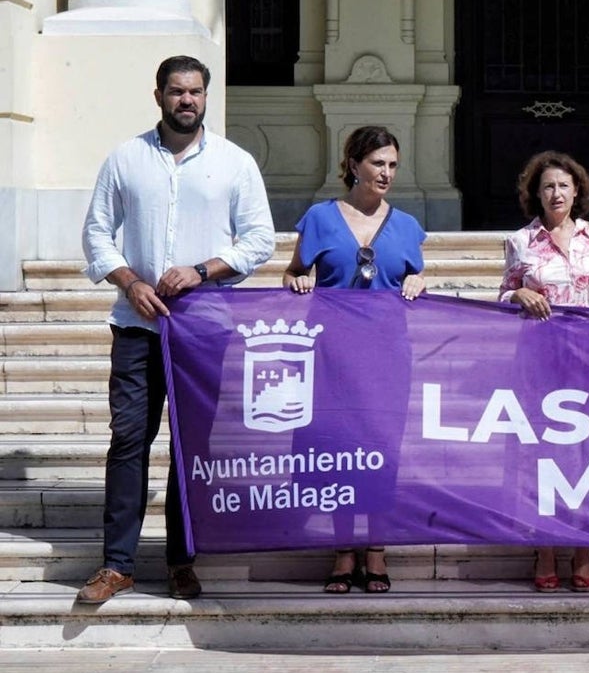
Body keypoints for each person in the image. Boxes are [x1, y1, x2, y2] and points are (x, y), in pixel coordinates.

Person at [78, 55, 275, 603]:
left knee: (191, 446)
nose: (186, 100)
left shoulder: (234, 163)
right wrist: (128, 282)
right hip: (137, 325)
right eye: (176, 91)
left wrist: (202, 270)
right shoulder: (126, 159)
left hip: (204, 327)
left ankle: (182, 560)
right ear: (159, 94)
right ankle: (117, 564)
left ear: (206, 97)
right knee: (128, 442)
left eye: (195, 92)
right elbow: (96, 234)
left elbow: (260, 240)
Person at [284, 125, 426, 593]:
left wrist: (418, 285)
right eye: (377, 163)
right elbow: (292, 274)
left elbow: (413, 279)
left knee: (382, 450)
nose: (385, 173)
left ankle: (378, 549)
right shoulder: (321, 218)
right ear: (353, 164)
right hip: (333, 358)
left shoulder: (405, 226)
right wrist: (300, 282)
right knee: (339, 451)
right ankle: (344, 551)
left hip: (386, 357)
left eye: (392, 165)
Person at [499, 150, 589, 591]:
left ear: (577, 192)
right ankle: (547, 545)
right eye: (548, 186)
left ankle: (584, 546)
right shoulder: (521, 241)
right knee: (544, 454)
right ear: (536, 192)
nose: (556, 193)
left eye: (564, 186)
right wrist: (519, 298)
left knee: (588, 454)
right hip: (540, 365)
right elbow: (502, 297)